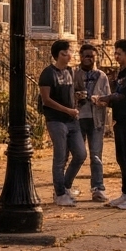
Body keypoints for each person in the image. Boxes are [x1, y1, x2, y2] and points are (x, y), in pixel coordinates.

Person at [95, 39, 126, 210]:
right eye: (115, 53)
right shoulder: (122, 73)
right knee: (121, 158)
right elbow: (119, 95)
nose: (116, 57)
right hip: (120, 119)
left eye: (120, 54)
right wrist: (107, 101)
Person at [38, 39, 85, 206]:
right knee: (60, 157)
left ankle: (65, 186)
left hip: (72, 119)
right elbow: (46, 100)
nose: (68, 56)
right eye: (64, 54)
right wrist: (66, 110)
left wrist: (78, 97)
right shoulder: (48, 73)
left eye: (69, 53)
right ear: (57, 56)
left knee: (80, 154)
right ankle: (59, 194)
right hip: (56, 120)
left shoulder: (70, 72)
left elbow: (71, 92)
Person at [74, 43, 112, 203]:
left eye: (92, 56)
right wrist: (76, 97)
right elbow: (67, 97)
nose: (89, 58)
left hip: (96, 120)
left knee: (96, 155)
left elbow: (109, 98)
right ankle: (64, 187)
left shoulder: (102, 76)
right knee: (76, 155)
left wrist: (100, 100)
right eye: (86, 55)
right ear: (81, 57)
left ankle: (98, 188)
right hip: (78, 119)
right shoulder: (74, 74)